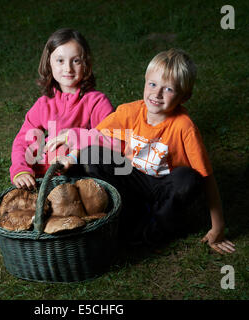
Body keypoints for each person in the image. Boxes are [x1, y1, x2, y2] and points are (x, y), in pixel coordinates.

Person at [56, 48, 235, 254]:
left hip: (163, 186)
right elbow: (94, 136)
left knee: (189, 178)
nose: (157, 94)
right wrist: (71, 157)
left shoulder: (185, 127)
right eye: (152, 84)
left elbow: (207, 177)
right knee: (91, 153)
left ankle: (151, 231)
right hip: (133, 179)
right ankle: (126, 212)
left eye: (168, 89)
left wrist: (218, 227)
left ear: (184, 97)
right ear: (145, 82)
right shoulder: (130, 111)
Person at [10, 28, 114, 189]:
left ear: (86, 64)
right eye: (60, 60)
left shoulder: (97, 101)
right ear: (49, 63)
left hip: (85, 174)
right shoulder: (44, 103)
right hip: (51, 172)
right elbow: (23, 140)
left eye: (76, 61)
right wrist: (21, 170)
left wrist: (73, 138)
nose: (68, 68)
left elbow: (111, 138)